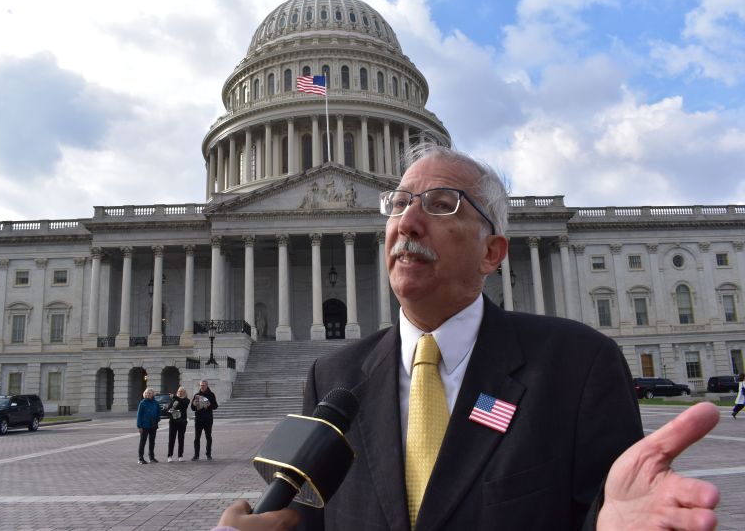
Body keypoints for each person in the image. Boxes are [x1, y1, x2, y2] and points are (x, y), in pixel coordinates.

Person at [286, 143, 719, 530]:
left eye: (441, 205)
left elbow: (603, 507)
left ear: (491, 252)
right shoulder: (332, 379)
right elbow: (308, 518)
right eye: (399, 204)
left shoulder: (579, 367)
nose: (408, 222)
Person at [191, 379, 219, 461]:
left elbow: (215, 406)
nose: (202, 387)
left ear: (207, 386)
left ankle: (208, 454)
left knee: (208, 437)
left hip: (208, 419)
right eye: (201, 385)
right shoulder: (197, 395)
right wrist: (194, 404)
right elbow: (192, 408)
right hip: (198, 419)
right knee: (197, 438)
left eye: (203, 385)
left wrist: (209, 405)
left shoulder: (211, 394)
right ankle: (196, 455)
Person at [136, 387, 160, 464]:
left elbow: (158, 412)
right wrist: (139, 426)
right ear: (145, 394)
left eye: (150, 393)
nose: (148, 394)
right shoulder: (142, 403)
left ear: (153, 394)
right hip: (144, 426)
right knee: (143, 442)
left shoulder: (156, 403)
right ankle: (140, 458)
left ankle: (151, 457)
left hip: (153, 425)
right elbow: (139, 415)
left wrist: (157, 419)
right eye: (147, 393)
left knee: (152, 442)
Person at [167, 386, 190, 462]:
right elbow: (169, 409)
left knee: (181, 439)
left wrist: (175, 397)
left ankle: (180, 455)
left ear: (184, 393)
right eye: (179, 391)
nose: (180, 392)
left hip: (181, 422)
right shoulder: (174, 400)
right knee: (171, 439)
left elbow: (183, 404)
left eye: (181, 391)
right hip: (173, 422)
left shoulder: (186, 400)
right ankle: (169, 456)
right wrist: (169, 411)